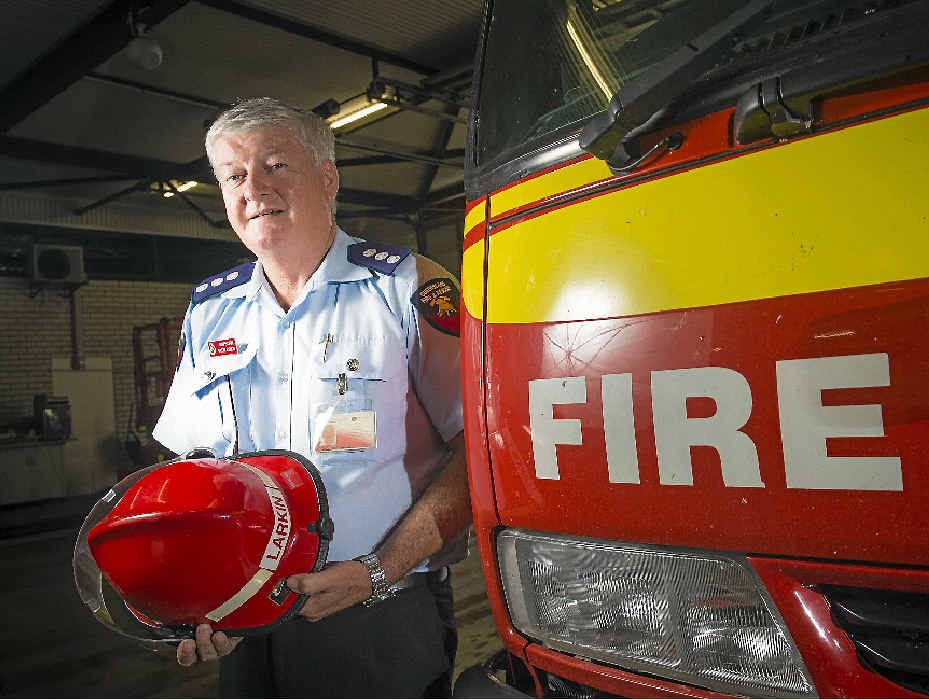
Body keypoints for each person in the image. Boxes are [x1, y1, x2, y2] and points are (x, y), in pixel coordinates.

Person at [151, 97, 471, 697]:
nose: (254, 189)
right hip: (247, 616)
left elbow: (480, 450)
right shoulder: (211, 311)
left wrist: (378, 572)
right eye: (234, 175)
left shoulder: (406, 288)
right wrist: (198, 591)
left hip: (379, 613)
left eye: (276, 165)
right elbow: (192, 470)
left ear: (328, 178)